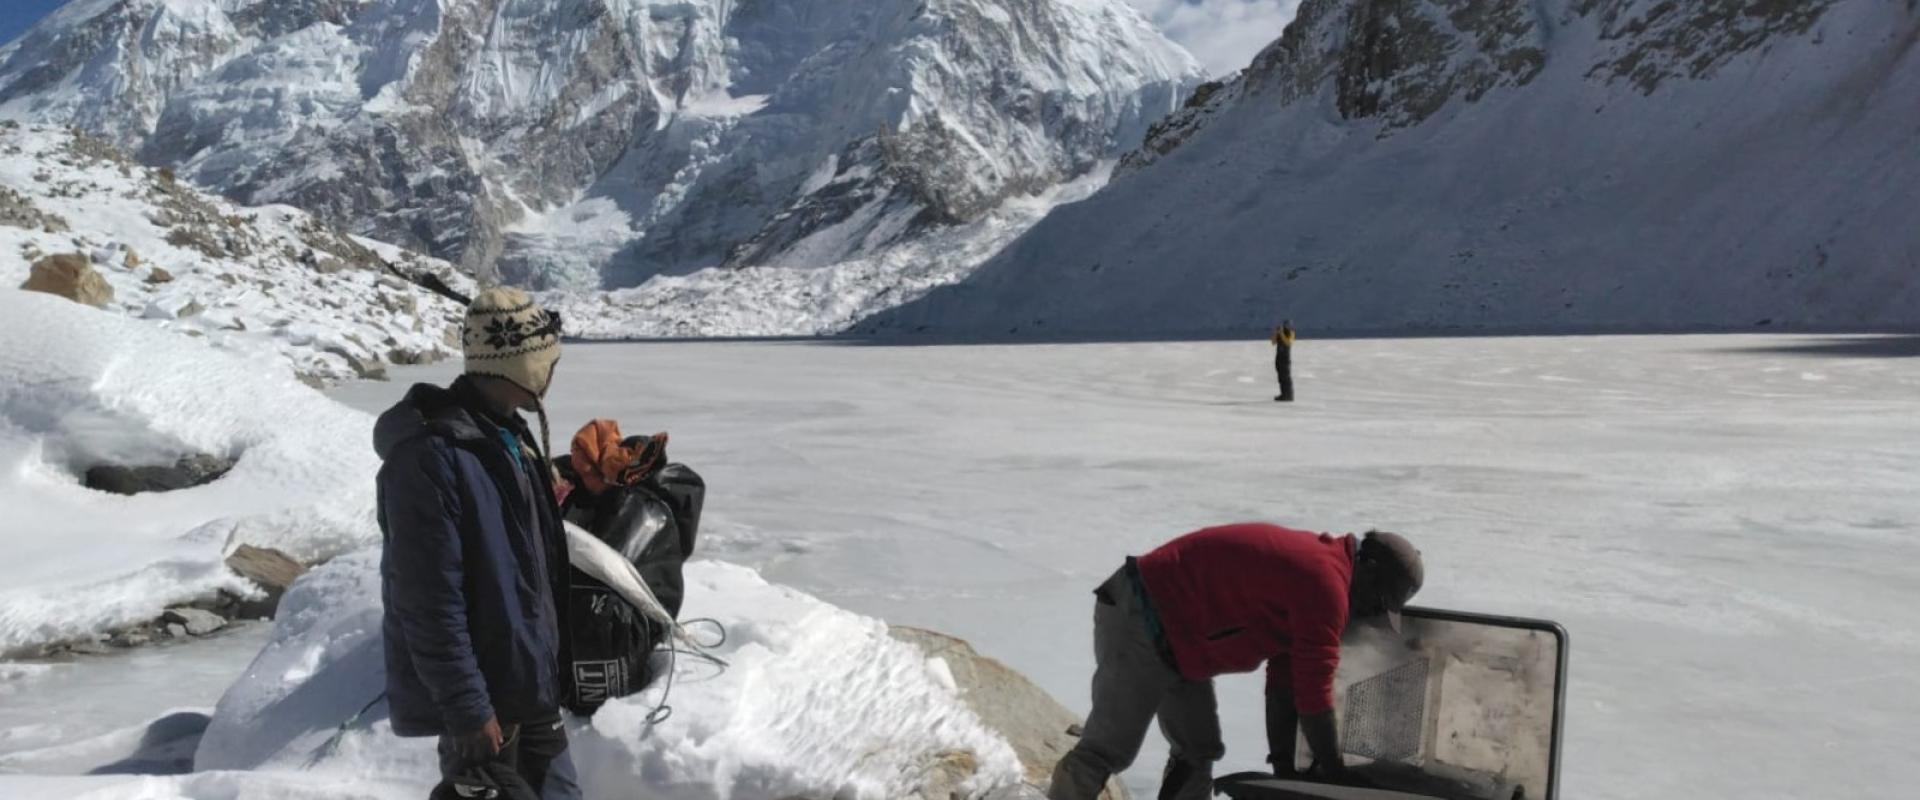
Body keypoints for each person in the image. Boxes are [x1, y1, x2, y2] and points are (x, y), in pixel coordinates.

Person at [373, 287, 581, 800]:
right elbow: (427, 598)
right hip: (488, 705)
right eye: (548, 360)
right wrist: (467, 706)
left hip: (528, 685)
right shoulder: (432, 457)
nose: (554, 371)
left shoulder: (505, 436)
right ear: (522, 363)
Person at [1048, 523, 1424, 800]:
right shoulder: (1325, 585)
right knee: (1109, 748)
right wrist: (1335, 774)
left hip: (1178, 640)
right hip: (1143, 616)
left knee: (1198, 749)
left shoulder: (1324, 574)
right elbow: (1313, 694)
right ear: (1369, 570)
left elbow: (1285, 683)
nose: (1368, 612)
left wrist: (1285, 770)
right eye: (1376, 602)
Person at [1269, 321, 1296, 402]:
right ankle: (1283, 394)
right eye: (1284, 325)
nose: (1285, 327)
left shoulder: (1291, 333)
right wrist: (1276, 333)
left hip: (1285, 359)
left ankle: (1289, 395)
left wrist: (1281, 334)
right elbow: (1273, 342)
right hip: (1279, 358)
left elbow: (1288, 342)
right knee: (1281, 378)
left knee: (1286, 378)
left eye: (1287, 325)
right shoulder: (1281, 333)